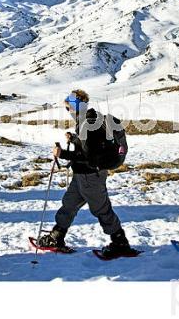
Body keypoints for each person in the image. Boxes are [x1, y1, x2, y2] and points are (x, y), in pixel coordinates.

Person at [37, 89, 134, 258]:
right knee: (69, 203)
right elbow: (90, 145)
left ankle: (120, 243)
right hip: (82, 175)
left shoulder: (86, 124)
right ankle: (56, 236)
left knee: (102, 210)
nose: (68, 112)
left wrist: (63, 154)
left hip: (91, 176)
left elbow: (89, 156)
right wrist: (74, 139)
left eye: (68, 108)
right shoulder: (90, 119)